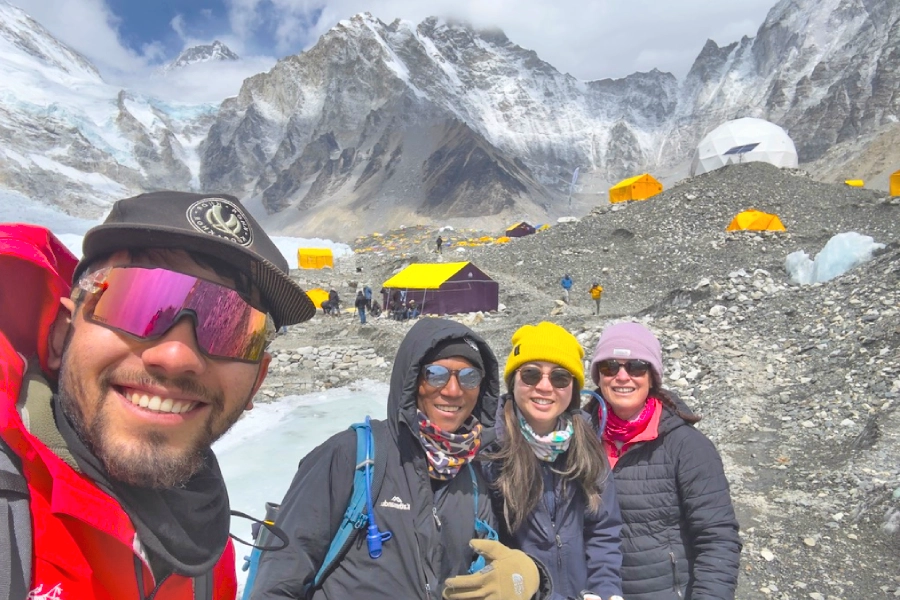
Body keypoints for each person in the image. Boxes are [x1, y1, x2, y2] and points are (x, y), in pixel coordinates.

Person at [0, 192, 317, 599]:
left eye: (233, 328)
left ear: (257, 381)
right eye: (137, 302)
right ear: (62, 333)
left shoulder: (206, 547)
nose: (175, 357)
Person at [249, 318, 550, 599]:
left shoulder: (473, 479)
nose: (453, 390)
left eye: (469, 377)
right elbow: (279, 579)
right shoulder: (352, 456)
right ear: (411, 379)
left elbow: (496, 575)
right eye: (436, 374)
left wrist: (532, 578)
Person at [584, 322, 741, 599]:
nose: (622, 377)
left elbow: (717, 538)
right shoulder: (577, 438)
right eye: (610, 366)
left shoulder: (687, 446)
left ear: (652, 376)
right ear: (599, 376)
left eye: (636, 367)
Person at [484, 322, 624, 600]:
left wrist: (606, 589)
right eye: (531, 374)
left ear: (573, 389)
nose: (545, 387)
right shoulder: (490, 450)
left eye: (560, 377)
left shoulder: (587, 443)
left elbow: (603, 529)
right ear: (513, 381)